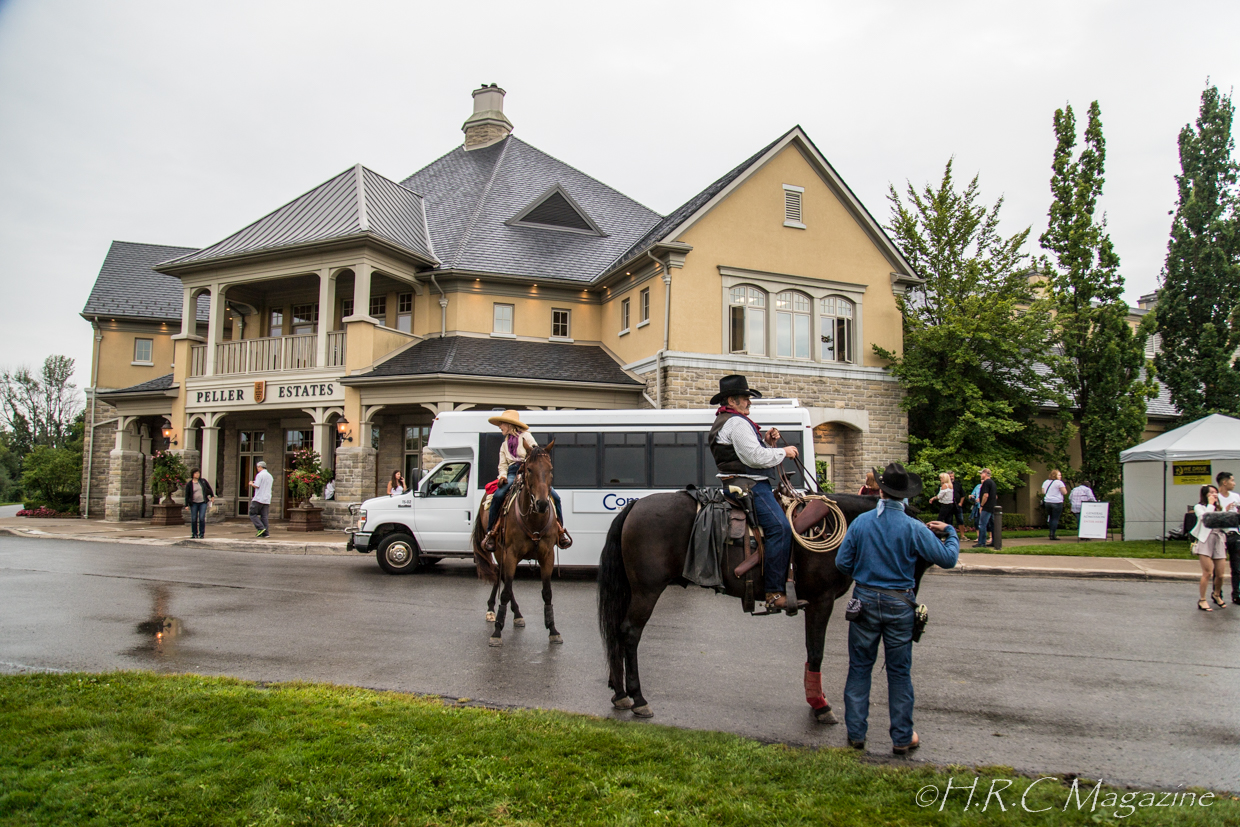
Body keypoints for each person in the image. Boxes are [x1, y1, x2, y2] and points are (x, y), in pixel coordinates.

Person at [834, 462, 959, 754]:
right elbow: (948, 559)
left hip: (864, 600)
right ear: (905, 496)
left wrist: (863, 572)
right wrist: (950, 531)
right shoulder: (914, 527)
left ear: (881, 492)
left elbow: (842, 562)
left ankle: (856, 733)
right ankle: (902, 737)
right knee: (899, 673)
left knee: (859, 668)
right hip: (900, 603)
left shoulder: (862, 523)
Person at [706, 374, 804, 613]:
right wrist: (784, 452)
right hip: (749, 486)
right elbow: (754, 458)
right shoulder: (737, 423)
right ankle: (774, 592)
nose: (749, 402)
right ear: (732, 400)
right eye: (745, 398)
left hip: (741, 482)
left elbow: (749, 454)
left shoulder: (728, 421)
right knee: (780, 528)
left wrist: (768, 442)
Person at [481, 410, 570, 553]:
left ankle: (560, 531)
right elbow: (502, 465)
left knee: (556, 498)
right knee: (498, 496)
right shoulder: (504, 445)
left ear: (510, 425)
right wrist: (502, 476)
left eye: (502, 424)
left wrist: (528, 467)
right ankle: (491, 532)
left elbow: (536, 454)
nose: (500, 427)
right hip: (512, 473)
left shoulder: (526, 436)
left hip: (529, 470)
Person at [1192, 485, 1227, 611]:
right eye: (1211, 492)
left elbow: (1225, 524)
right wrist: (1211, 505)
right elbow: (1205, 519)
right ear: (1205, 495)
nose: (1214, 494)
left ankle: (1216, 594)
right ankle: (1202, 600)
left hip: (1218, 539)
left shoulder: (1219, 508)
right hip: (1205, 539)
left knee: (1220, 574)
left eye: (1216, 492)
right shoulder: (1199, 507)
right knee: (1207, 572)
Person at [1215, 471, 1240, 604]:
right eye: (1232, 480)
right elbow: (1213, 516)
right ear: (1224, 482)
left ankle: (1237, 594)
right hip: (1220, 534)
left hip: (1234, 534)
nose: (1234, 483)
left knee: (1236, 567)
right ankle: (1217, 593)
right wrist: (1225, 509)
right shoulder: (1216, 497)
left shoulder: (1236, 497)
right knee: (1218, 567)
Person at [184, 469, 215, 540]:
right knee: (194, 518)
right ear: (193, 474)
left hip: (203, 502)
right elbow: (187, 495)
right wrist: (186, 505)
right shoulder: (189, 484)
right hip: (194, 503)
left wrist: (212, 496)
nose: (197, 474)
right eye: (196, 473)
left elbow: (209, 489)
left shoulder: (203, 481)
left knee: (201, 518)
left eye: (198, 473)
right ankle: (194, 533)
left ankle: (201, 534)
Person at [1040, 469, 1068, 541]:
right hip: (1057, 502)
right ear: (1055, 475)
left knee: (1051, 517)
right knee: (1055, 518)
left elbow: (1043, 492)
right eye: (1059, 475)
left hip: (1047, 502)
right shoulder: (1059, 483)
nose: (1060, 476)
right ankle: (1052, 534)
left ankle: (1050, 531)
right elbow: (1064, 492)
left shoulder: (1046, 482)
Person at [248, 460, 273, 538]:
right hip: (267, 499)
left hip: (258, 498)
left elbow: (257, 485)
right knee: (264, 516)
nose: (257, 469)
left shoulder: (259, 475)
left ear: (260, 467)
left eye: (257, 467)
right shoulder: (270, 476)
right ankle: (266, 533)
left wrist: (251, 483)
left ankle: (260, 528)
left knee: (252, 513)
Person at [974, 468, 997, 548]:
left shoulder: (986, 482)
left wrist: (982, 505)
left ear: (985, 474)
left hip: (987, 507)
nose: (980, 475)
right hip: (992, 506)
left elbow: (985, 495)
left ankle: (981, 542)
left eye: (981, 473)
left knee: (982, 524)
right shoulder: (992, 483)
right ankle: (995, 541)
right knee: (992, 525)